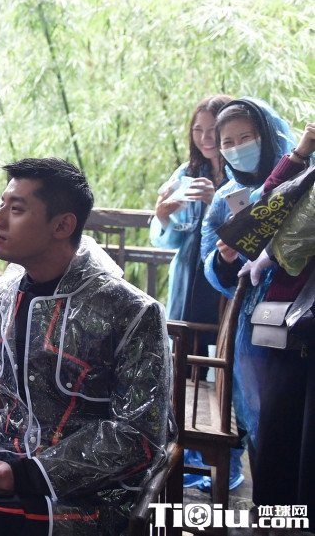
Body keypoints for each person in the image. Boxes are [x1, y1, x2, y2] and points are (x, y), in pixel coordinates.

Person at [0, 158, 171, 536]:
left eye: (16, 209)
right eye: (2, 205)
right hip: (2, 469)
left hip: (91, 498)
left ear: (62, 225)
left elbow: (140, 436)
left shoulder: (132, 312)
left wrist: (30, 475)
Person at [200, 97, 296, 493]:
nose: (237, 148)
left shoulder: (299, 183)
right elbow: (213, 270)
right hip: (256, 330)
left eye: (247, 137)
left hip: (303, 322)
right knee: (264, 423)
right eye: (228, 142)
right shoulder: (225, 199)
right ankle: (273, 511)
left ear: (268, 134)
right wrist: (224, 260)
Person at [149, 95, 231, 489]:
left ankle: (226, 463)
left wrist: (217, 201)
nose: (205, 138)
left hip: (226, 283)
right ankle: (182, 457)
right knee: (185, 367)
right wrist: (163, 215)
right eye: (197, 130)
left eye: (212, 130)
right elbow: (168, 238)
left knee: (226, 374)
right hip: (189, 278)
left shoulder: (245, 175)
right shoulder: (187, 172)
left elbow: (249, 229)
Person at [242, 123, 315, 512]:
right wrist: (301, 153)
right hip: (287, 317)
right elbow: (265, 208)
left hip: (299, 315)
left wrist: (270, 255)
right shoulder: (305, 167)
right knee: (280, 427)